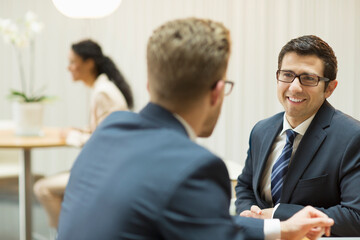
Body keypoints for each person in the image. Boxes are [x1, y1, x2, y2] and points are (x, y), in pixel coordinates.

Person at [57, 19, 333, 240]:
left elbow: (206, 224)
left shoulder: (109, 130)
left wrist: (279, 230)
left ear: (150, 86)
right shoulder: (196, 168)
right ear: (216, 92)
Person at [235, 35, 360, 237]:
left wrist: (277, 215)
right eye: (287, 75)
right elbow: (245, 185)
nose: (294, 87)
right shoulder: (261, 130)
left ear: (330, 88)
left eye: (309, 78)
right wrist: (248, 213)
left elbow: (355, 217)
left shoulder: (353, 137)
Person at [33, 39, 134, 229]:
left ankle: (66, 234)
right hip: (110, 167)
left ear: (89, 63)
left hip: (106, 172)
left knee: (42, 188)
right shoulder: (103, 88)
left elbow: (104, 141)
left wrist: (71, 137)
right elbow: (104, 130)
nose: (68, 67)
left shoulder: (103, 92)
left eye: (72, 62)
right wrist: (82, 130)